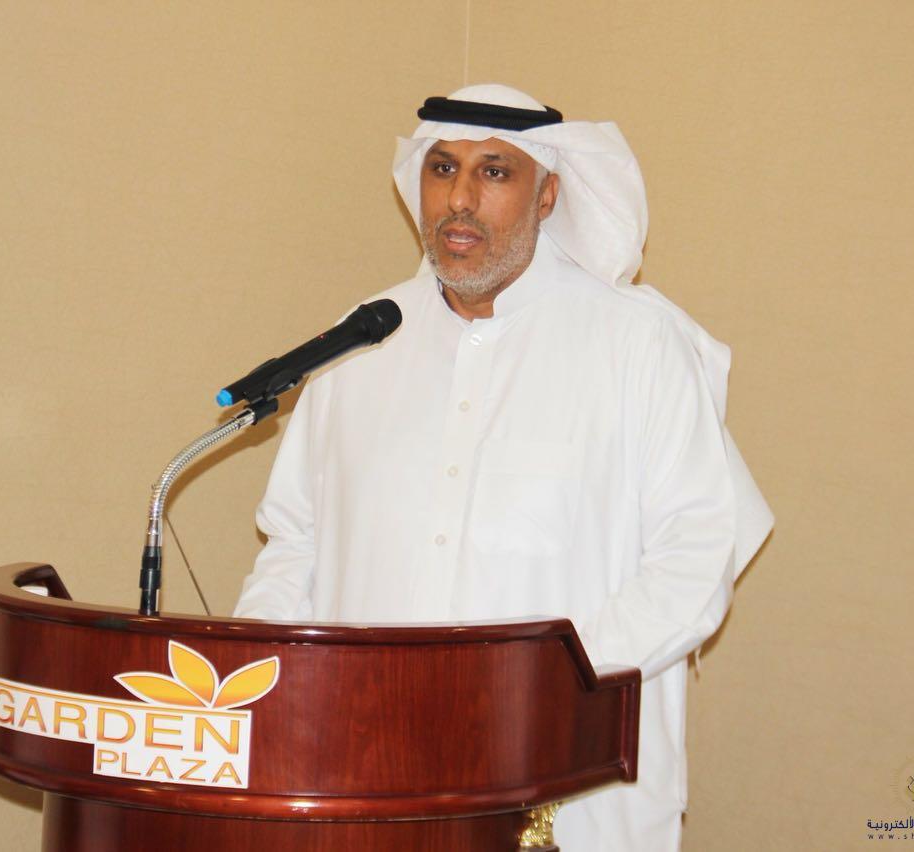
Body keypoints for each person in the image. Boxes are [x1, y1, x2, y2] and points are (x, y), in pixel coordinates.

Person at [233, 83, 773, 851]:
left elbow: (695, 558)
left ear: (547, 194)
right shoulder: (362, 344)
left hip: (568, 784)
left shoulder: (635, 345)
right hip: (367, 776)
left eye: (494, 172)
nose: (460, 198)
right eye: (442, 168)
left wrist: (532, 684)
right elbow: (295, 546)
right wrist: (254, 687)